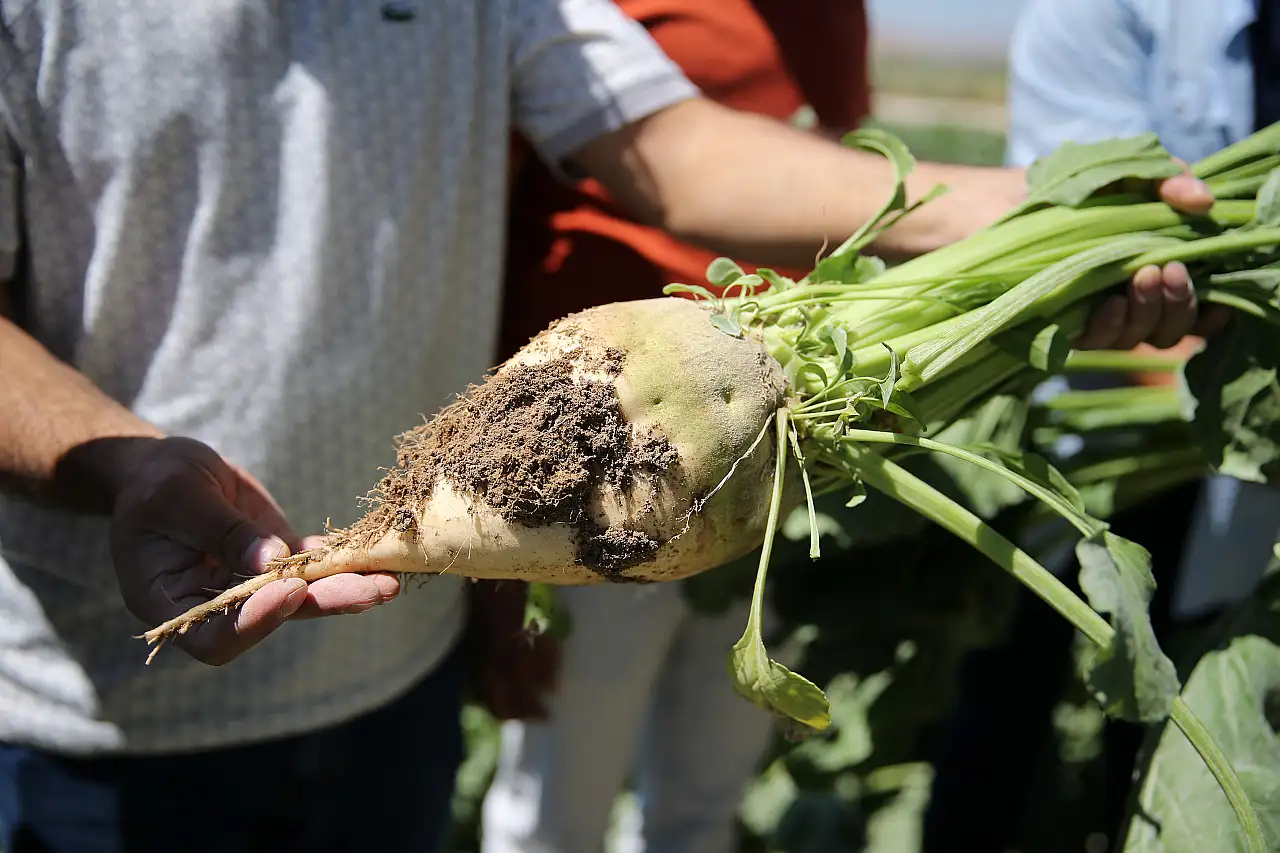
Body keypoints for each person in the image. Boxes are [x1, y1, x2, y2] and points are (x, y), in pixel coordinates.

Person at [0, 2, 1211, 851]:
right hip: (102, 700)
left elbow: (671, 152)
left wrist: (1019, 223)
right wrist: (121, 464)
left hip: (391, 684)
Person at [482, 4, 870, 853]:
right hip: (602, 455)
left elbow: (847, 179)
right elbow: (499, 214)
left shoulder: (832, 15)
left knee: (706, 794)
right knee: (558, 800)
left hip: (771, 465)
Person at [921, 2, 1280, 850]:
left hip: (1239, 481)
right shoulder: (1108, 8)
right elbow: (1073, 211)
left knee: (1165, 735)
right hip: (1083, 450)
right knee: (1005, 708)